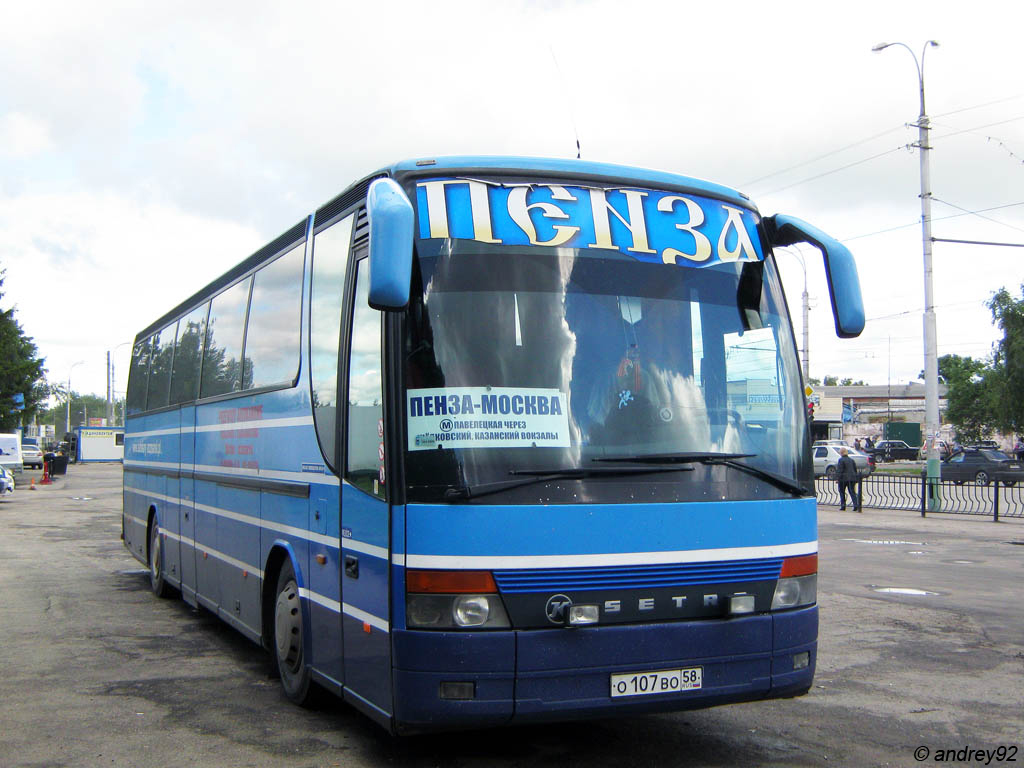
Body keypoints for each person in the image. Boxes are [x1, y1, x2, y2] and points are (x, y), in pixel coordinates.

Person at [836, 447, 860, 511]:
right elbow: (855, 470)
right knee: (852, 492)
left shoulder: (841, 460)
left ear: (841, 453)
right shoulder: (851, 460)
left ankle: (843, 506)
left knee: (842, 492)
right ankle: (856, 505)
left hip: (843, 479)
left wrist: (838, 478)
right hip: (852, 478)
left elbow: (840, 470)